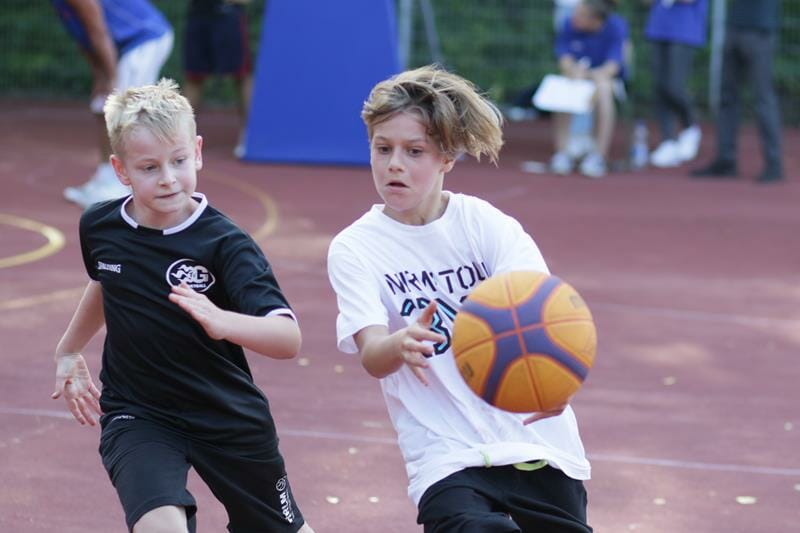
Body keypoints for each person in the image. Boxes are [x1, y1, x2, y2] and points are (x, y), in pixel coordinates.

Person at [327, 66, 592, 532]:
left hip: (534, 441)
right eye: (383, 149)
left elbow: (544, 318)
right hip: (445, 456)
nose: (394, 164)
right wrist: (399, 343)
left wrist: (559, 381)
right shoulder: (356, 247)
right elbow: (372, 355)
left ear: (447, 158)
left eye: (414, 152)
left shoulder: (486, 226)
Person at [51, 79, 314, 533]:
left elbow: (288, 339)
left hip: (226, 414)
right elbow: (107, 282)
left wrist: (223, 321)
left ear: (197, 152)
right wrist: (68, 349)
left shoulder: (227, 244)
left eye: (178, 161)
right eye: (149, 167)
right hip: (139, 413)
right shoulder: (100, 226)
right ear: (121, 170)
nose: (168, 178)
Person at [52, 0, 174, 209]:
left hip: (145, 38)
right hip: (121, 46)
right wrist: (99, 75)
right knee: (102, 106)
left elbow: (98, 31)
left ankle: (124, 186)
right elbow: (84, 37)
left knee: (124, 113)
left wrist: (111, 78)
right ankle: (106, 176)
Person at [691, 0, 783, 183]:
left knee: (763, 99)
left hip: (760, 30)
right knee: (727, 97)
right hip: (735, 27)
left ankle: (774, 163)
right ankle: (726, 159)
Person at [551, 0, 628, 178]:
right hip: (578, 75)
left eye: (581, 15)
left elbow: (613, 66)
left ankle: (598, 155)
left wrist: (593, 75)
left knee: (603, 89)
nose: (574, 17)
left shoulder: (616, 26)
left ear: (595, 20)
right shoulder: (569, 24)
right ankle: (562, 152)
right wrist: (573, 70)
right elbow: (564, 59)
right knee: (566, 87)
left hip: (603, 78)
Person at [183, 0, 253, 158]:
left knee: (241, 74)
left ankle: (250, 135)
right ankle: (181, 137)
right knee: (193, 76)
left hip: (228, 14)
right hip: (198, 13)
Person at [645, 0, 707, 168]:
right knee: (659, 87)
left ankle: (690, 126)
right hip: (659, 27)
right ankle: (668, 140)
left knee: (674, 86)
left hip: (684, 29)